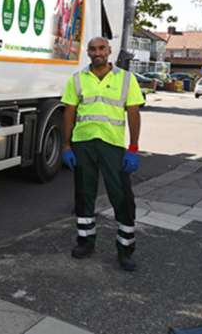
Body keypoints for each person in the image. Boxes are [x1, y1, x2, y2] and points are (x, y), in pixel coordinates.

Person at [60, 37, 145, 271]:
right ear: (87, 52)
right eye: (93, 49)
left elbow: (134, 113)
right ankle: (85, 242)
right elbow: (69, 113)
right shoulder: (77, 79)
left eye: (101, 49)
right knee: (84, 194)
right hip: (83, 144)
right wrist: (66, 146)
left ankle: (125, 250)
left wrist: (134, 148)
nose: (97, 52)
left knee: (122, 196)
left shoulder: (126, 79)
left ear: (109, 51)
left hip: (112, 145)